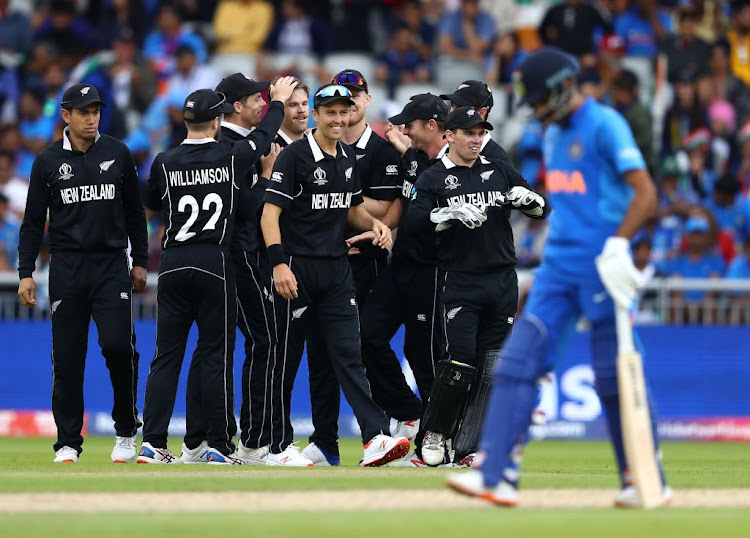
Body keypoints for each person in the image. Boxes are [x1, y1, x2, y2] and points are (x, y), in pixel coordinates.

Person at [446, 47, 670, 508]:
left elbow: (646, 194)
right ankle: (497, 475)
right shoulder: (549, 134)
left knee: (613, 378)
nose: (542, 112)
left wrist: (618, 244)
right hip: (557, 271)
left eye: (546, 100)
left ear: (566, 85)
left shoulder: (605, 125)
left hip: (603, 270)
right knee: (516, 364)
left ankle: (644, 476)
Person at [138, 80, 295, 465]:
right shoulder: (229, 155)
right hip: (214, 262)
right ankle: (220, 445)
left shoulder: (164, 160)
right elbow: (262, 139)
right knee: (215, 355)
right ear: (216, 123)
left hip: (173, 263)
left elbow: (153, 203)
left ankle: (153, 442)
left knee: (165, 356)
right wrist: (276, 103)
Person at [260, 83, 410, 467]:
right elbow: (269, 215)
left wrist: (376, 225)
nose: (339, 120)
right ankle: (274, 445)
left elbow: (352, 208)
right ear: (315, 114)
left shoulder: (346, 157)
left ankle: (375, 437)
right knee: (286, 359)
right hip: (296, 270)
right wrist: (278, 264)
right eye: (331, 112)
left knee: (349, 354)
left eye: (345, 112)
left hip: (336, 269)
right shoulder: (294, 157)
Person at [403, 106, 550, 467]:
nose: (476, 139)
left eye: (480, 132)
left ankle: (469, 447)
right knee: (458, 363)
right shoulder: (435, 177)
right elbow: (412, 226)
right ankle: (434, 435)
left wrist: (533, 204)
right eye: (468, 132)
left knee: (492, 367)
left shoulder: (497, 168)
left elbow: (537, 207)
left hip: (502, 280)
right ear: (449, 135)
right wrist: (444, 215)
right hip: (461, 282)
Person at [17, 83, 148, 464]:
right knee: (69, 358)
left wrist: (139, 260)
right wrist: (26, 272)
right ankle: (69, 442)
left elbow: (135, 214)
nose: (92, 118)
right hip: (67, 268)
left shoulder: (118, 153)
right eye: (84, 112)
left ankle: (126, 430)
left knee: (119, 349)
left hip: (110, 266)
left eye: (96, 111)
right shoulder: (46, 162)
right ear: (66, 116)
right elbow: (31, 224)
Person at [301, 70, 403, 466]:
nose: (346, 110)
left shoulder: (375, 152)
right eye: (336, 107)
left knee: (355, 348)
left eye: (353, 100)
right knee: (321, 356)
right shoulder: (308, 153)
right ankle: (324, 440)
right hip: (315, 264)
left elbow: (384, 207)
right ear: (319, 112)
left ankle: (390, 425)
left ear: (365, 101)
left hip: (363, 265)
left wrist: (369, 219)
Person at [367, 94, 450, 466]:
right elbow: (406, 197)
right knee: (364, 336)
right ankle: (409, 410)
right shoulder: (413, 159)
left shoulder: (456, 168)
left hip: (432, 273)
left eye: (411, 125)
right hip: (398, 267)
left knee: (424, 357)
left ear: (432, 126)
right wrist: (383, 227)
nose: (405, 131)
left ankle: (437, 442)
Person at [439, 80, 513, 165]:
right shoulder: (445, 149)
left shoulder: (497, 161)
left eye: (460, 108)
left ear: (481, 113)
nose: (452, 112)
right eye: (452, 105)